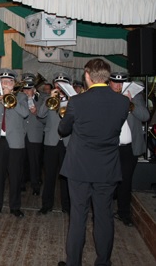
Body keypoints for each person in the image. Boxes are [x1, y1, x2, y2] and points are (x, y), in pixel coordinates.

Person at [57, 59, 129, 266]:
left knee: (78, 217)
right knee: (104, 217)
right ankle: (103, 262)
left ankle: (74, 263)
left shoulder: (78, 102)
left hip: (79, 168)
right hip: (107, 168)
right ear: (107, 76)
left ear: (87, 75)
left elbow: (63, 130)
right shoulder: (122, 102)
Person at [0, 70, 29, 218]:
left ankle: (15, 207)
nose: (5, 84)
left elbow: (25, 113)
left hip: (15, 142)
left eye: (8, 82)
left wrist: (10, 99)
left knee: (15, 176)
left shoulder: (21, 96)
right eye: (2, 81)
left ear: (14, 84)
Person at [109, 72, 150, 227]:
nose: (118, 86)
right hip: (110, 147)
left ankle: (124, 213)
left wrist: (130, 104)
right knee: (108, 181)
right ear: (109, 83)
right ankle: (103, 213)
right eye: (114, 83)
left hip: (128, 149)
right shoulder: (107, 97)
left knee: (126, 182)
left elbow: (145, 116)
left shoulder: (135, 96)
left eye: (121, 83)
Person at [37, 72, 72, 215]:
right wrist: (49, 99)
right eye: (57, 84)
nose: (59, 86)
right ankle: (46, 205)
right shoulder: (48, 99)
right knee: (49, 175)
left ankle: (67, 205)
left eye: (62, 84)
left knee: (66, 176)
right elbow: (40, 114)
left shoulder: (73, 100)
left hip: (67, 143)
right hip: (51, 142)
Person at [22, 80, 45, 196]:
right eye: (24, 89)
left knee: (35, 163)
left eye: (29, 89)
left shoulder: (41, 100)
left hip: (34, 135)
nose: (26, 92)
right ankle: (22, 184)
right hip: (22, 134)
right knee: (21, 161)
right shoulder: (20, 100)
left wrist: (36, 111)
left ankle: (36, 186)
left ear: (34, 90)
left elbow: (43, 117)